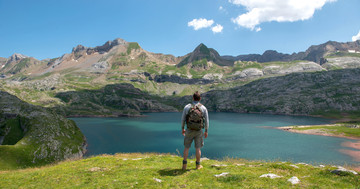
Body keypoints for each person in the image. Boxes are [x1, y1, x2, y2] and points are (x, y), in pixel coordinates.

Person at [181, 91, 209, 170]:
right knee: (198, 148)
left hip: (189, 130)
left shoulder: (187, 107)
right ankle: (197, 165)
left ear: (193, 98)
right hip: (198, 131)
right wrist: (206, 131)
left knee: (186, 148)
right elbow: (206, 121)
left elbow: (183, 119)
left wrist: (182, 128)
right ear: (200, 99)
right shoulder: (203, 108)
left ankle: (184, 166)